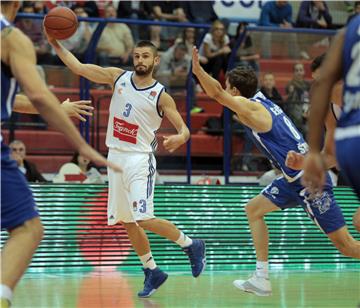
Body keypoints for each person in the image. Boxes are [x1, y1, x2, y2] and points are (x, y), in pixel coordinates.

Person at [192, 46, 360, 297]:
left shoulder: (253, 109)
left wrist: (197, 70)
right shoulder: (261, 102)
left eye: (229, 89)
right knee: (253, 209)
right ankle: (261, 278)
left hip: (309, 182)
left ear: (236, 92)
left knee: (346, 245)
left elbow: (216, 93)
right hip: (292, 178)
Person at [46, 36, 206, 297]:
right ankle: (152, 271)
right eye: (136, 56)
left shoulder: (161, 95)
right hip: (115, 158)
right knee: (127, 221)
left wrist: (181, 136)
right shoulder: (117, 77)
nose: (140, 60)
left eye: (145, 56)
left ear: (155, 60)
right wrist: (56, 44)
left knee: (143, 217)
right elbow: (78, 67)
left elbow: (183, 127)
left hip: (140, 159)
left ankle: (191, 244)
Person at [0, 2, 120, 307]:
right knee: (28, 229)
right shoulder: (12, 39)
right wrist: (80, 144)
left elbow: (15, 101)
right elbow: (38, 96)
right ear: (16, 3)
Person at [302, 16, 360, 232]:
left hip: (350, 145)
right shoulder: (330, 107)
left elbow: (322, 85)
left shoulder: (347, 32)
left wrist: (313, 155)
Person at [284, 63, 311, 136]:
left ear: (304, 71)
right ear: (294, 73)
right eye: (297, 70)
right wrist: (290, 92)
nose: (299, 72)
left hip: (307, 112)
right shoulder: (290, 85)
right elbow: (290, 103)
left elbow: (310, 100)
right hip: (295, 116)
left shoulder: (308, 85)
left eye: (301, 70)